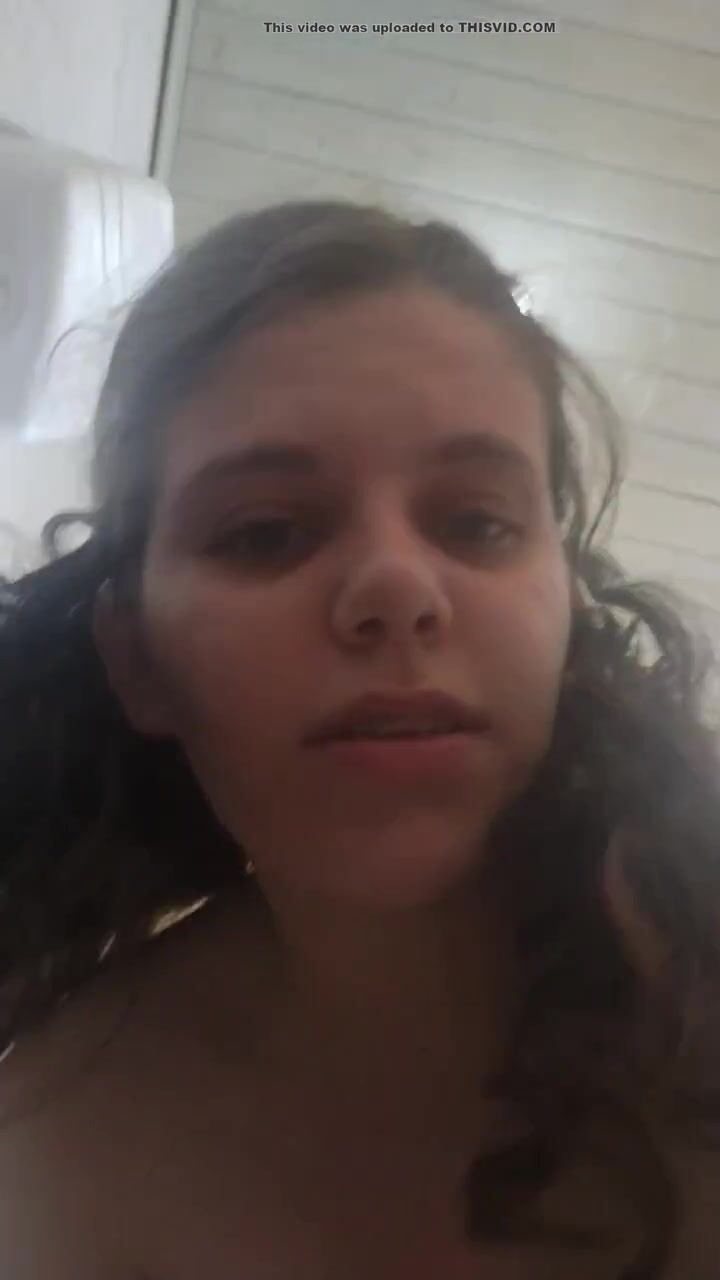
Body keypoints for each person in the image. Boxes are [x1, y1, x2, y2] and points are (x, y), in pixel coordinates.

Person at [0, 200, 718, 1280]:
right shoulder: (55, 1139)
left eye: (477, 522)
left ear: (566, 614)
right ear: (137, 658)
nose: (396, 586)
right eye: (265, 531)